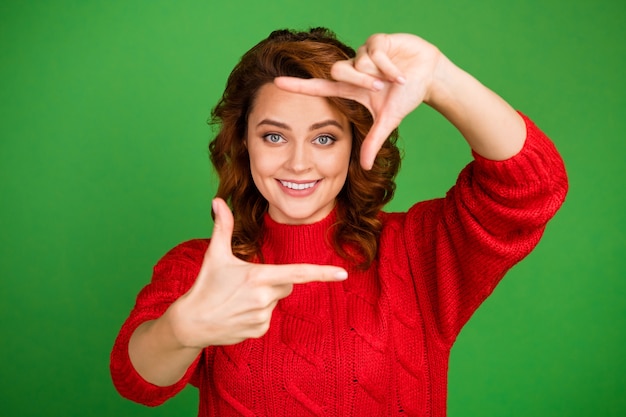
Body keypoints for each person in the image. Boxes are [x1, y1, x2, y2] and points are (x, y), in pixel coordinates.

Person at [110, 28, 568, 416]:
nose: (298, 163)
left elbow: (534, 188)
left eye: (325, 138)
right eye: (274, 136)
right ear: (243, 142)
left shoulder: (416, 252)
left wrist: (441, 81)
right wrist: (182, 329)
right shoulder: (205, 268)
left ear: (354, 144)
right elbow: (138, 382)